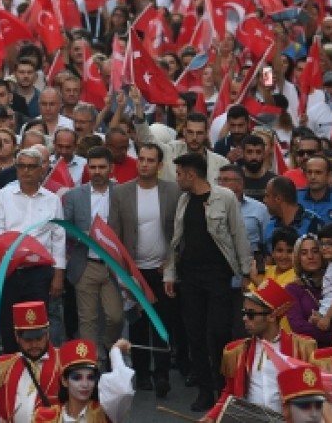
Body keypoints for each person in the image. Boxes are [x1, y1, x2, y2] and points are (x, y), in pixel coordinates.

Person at [165, 152, 253, 413]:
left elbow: (238, 235)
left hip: (218, 276)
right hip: (190, 276)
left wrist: (246, 272)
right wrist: (170, 273)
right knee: (194, 334)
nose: (177, 178)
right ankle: (205, 390)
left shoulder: (224, 198)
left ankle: (223, 386)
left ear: (191, 174)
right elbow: (176, 241)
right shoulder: (184, 200)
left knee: (218, 332)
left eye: (179, 173)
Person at [109, 141, 183, 396]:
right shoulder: (121, 193)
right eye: (141, 159)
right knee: (138, 324)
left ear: (160, 165)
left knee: (162, 324)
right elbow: (114, 235)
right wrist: (124, 273)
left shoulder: (173, 192)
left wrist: (172, 264)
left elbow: (179, 232)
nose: (144, 164)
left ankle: (161, 374)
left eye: (150, 160)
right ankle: (141, 374)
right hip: (134, 270)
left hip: (163, 271)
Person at [205, 280, 317, 421]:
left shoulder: (302, 348)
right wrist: (211, 416)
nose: (245, 318)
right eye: (244, 313)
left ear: (271, 316)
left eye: (251, 314)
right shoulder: (237, 351)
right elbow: (229, 392)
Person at [0, 147, 66, 356]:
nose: (26, 171)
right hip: (10, 269)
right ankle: (10, 369)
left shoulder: (52, 200)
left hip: (39, 272)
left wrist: (58, 274)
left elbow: (58, 238)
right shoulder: (4, 196)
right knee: (9, 324)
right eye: (21, 166)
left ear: (41, 170)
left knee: (36, 324)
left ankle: (36, 370)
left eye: (31, 167)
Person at [63, 147, 123, 359]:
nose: (97, 171)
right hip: (85, 264)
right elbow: (65, 227)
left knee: (116, 317)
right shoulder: (74, 196)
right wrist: (84, 236)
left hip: (114, 267)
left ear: (111, 168)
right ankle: (90, 364)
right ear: (87, 168)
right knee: (87, 319)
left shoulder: (122, 192)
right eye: (93, 167)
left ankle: (108, 346)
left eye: (102, 167)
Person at [0, 301, 64, 423]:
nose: (34, 344)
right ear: (17, 337)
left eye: (39, 338)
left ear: (47, 334)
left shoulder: (65, 363)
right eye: (28, 340)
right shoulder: (4, 366)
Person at [39, 338, 136, 423]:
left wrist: (114, 352)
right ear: (64, 381)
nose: (85, 384)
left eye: (90, 377)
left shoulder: (106, 412)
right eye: (77, 378)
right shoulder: (47, 418)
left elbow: (123, 390)